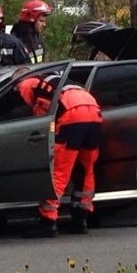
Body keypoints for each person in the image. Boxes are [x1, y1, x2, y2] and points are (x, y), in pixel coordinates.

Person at [16, 74, 102, 238]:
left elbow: (36, 115)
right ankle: (80, 219)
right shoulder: (58, 79)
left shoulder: (26, 83)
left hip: (72, 114)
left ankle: (47, 222)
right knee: (86, 168)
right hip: (94, 111)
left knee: (59, 170)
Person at [10, 0, 52, 64]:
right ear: (31, 20)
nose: (44, 25)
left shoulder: (37, 38)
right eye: (41, 21)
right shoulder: (16, 43)